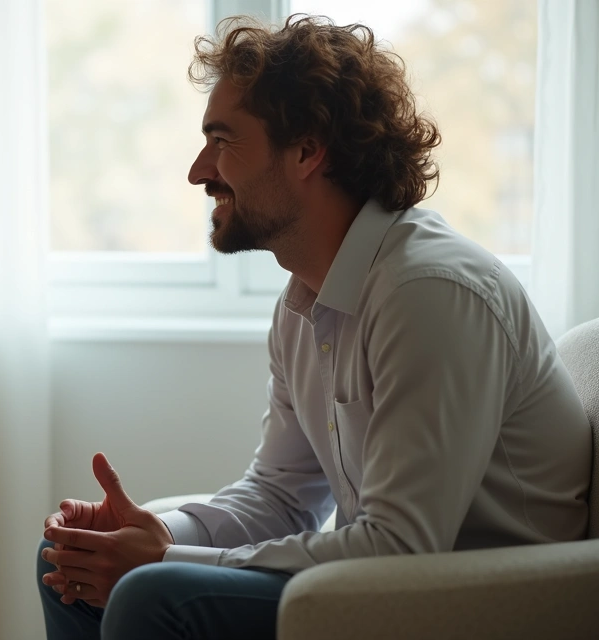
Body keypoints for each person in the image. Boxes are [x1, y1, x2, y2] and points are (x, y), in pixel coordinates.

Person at [37, 15, 591, 640]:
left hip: (477, 603)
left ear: (306, 150)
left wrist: (165, 562)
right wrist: (162, 535)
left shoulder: (429, 294)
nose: (199, 170)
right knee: (72, 560)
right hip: (389, 583)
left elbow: (402, 549)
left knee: (150, 594)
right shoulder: (308, 300)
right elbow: (280, 496)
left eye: (223, 141)